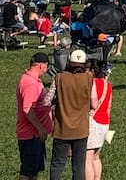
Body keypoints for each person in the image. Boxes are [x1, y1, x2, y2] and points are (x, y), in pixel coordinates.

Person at [48, 47, 96, 180]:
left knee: (57, 164)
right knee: (79, 166)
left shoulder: (59, 78)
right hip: (81, 129)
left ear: (69, 62)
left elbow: (47, 101)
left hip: (61, 129)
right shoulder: (88, 79)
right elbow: (94, 103)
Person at [17, 51, 52, 180]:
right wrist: (40, 128)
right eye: (47, 66)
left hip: (34, 134)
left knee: (33, 171)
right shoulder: (30, 83)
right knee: (27, 172)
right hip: (31, 134)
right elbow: (28, 109)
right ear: (42, 66)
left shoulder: (32, 80)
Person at [85, 62, 112, 180]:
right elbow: (109, 107)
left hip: (92, 122)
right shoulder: (107, 84)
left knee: (87, 158)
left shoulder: (90, 84)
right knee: (96, 157)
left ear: (92, 71)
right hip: (104, 122)